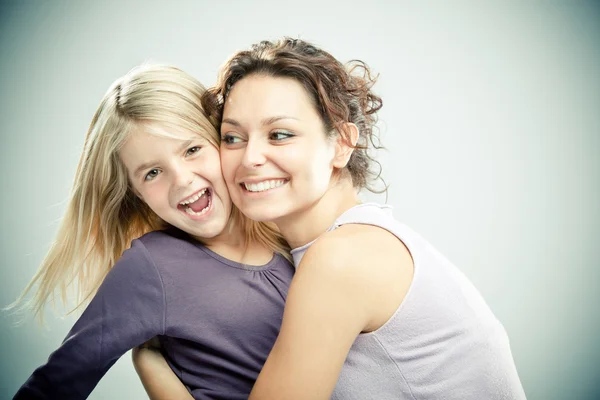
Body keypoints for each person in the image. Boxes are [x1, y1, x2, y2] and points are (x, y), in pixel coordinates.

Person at [136, 38, 527, 399]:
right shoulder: (343, 243)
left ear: (341, 144)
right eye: (233, 137)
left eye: (280, 134)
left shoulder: (343, 258)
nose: (250, 157)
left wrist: (149, 362)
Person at [9, 64, 294, 400]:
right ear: (135, 194)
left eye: (191, 150)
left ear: (220, 137)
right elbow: (52, 387)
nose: (182, 179)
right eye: (152, 172)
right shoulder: (151, 267)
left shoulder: (283, 223)